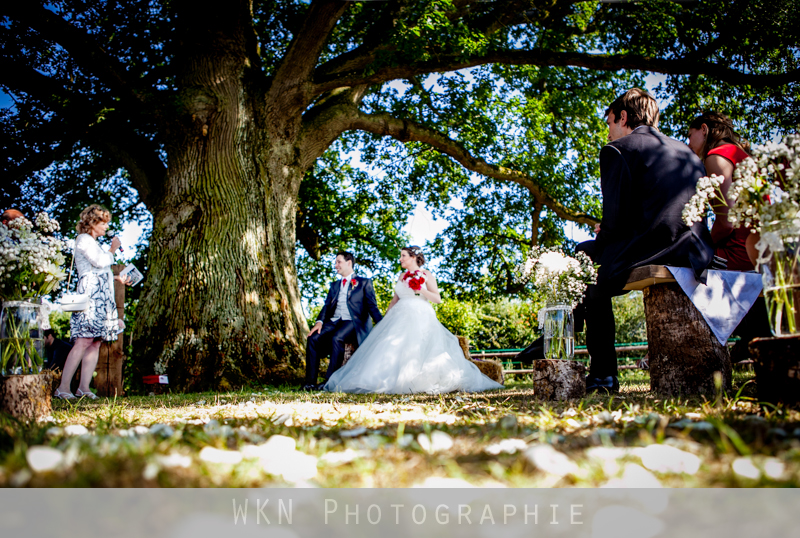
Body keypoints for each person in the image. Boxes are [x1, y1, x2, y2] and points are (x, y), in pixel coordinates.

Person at [577, 89, 714, 393]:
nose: (609, 132)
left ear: (623, 117)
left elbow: (614, 220)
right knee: (589, 259)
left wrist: (605, 232)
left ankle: (603, 373)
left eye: (610, 123)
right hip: (694, 249)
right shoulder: (685, 151)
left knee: (581, 261)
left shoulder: (618, 149)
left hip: (655, 248)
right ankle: (575, 323)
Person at [323, 246, 504, 394]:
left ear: (413, 257)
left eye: (403, 256)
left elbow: (437, 298)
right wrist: (383, 322)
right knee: (389, 348)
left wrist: (421, 290)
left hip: (420, 316)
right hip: (398, 317)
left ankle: (415, 380)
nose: (400, 259)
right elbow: (394, 301)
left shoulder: (426, 274)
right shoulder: (401, 277)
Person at [687, 111, 770, 360]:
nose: (688, 144)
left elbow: (727, 222)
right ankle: (752, 337)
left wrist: (704, 247)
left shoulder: (716, 156)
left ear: (704, 129)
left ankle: (742, 340)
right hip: (760, 248)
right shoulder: (739, 153)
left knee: (686, 270)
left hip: (741, 249)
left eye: (689, 136)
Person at [54, 204, 128, 400]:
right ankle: (63, 388)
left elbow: (100, 270)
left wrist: (116, 279)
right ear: (93, 222)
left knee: (96, 342)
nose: (106, 227)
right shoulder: (83, 240)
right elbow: (99, 262)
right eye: (103, 223)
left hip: (102, 298)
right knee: (83, 341)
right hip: (90, 298)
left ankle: (83, 388)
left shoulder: (95, 243)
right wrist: (113, 249)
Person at [303, 251, 383, 390]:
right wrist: (319, 322)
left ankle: (329, 382)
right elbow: (327, 306)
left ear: (349, 263)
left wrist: (383, 326)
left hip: (353, 322)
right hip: (334, 321)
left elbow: (372, 307)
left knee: (337, 338)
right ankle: (309, 383)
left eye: (338, 262)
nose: (335, 266)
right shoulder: (334, 285)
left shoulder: (364, 283)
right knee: (313, 338)